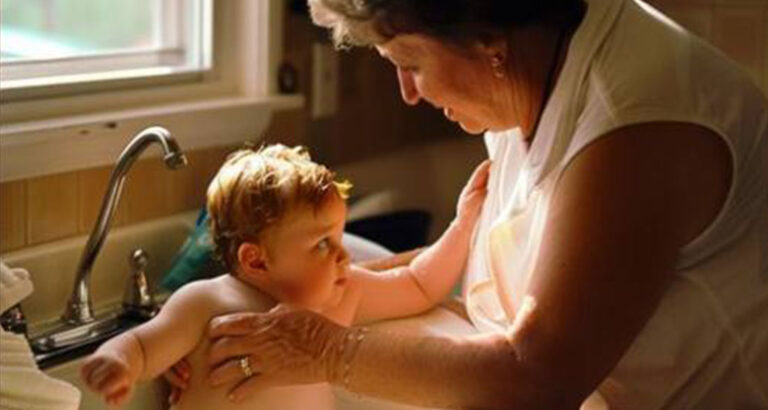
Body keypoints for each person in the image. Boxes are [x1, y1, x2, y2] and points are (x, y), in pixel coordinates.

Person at [194, 0, 768, 409]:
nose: (408, 93)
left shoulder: (638, 126)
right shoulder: (526, 73)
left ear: (488, 38)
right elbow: (475, 278)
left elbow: (538, 381)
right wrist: (266, 306)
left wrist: (326, 351)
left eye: (411, 63)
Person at [79, 144, 488, 409]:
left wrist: (464, 224)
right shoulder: (207, 304)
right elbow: (143, 346)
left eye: (339, 236)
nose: (344, 255)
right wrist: (117, 363)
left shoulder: (342, 297)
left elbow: (419, 284)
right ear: (256, 262)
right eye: (322, 244)